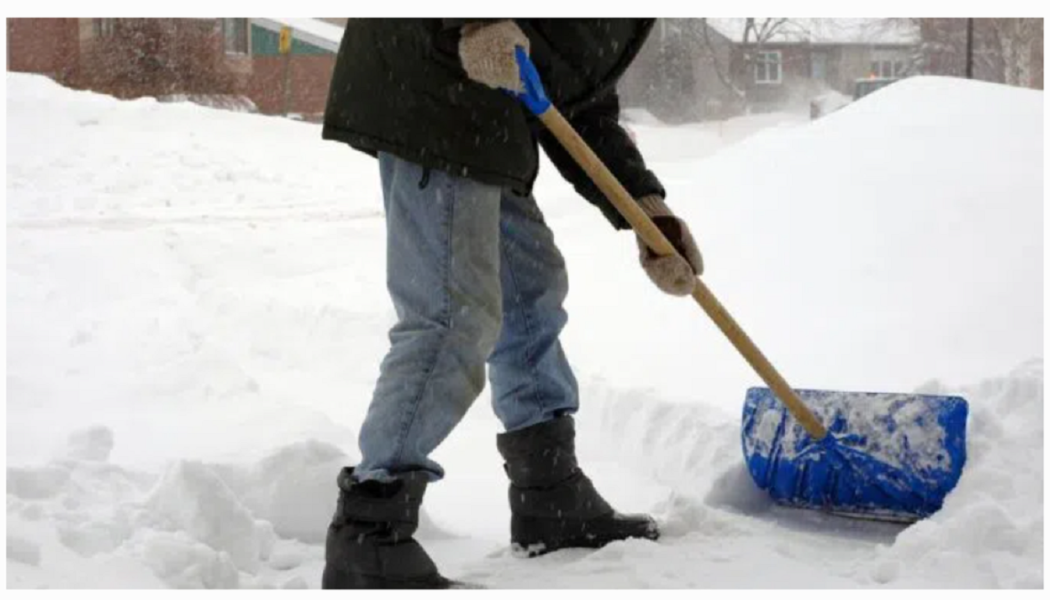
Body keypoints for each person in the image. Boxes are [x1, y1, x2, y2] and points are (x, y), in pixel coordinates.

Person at [319, 19, 703, 589]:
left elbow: (578, 100)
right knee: (453, 315)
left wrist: (644, 211)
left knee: (530, 287)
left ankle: (550, 492)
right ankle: (369, 532)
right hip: (433, 78)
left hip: (488, 108)